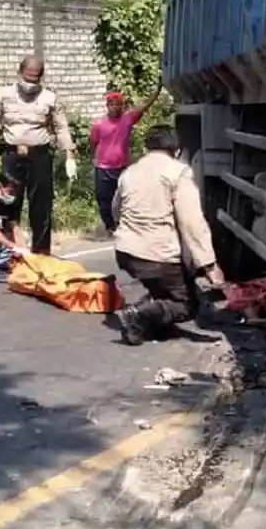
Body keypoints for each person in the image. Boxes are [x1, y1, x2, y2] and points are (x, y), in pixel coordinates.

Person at [111, 124, 225, 346]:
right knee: (187, 304)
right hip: (156, 255)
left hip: (125, 251)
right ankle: (137, 315)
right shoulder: (178, 172)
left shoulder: (129, 172)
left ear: (146, 148)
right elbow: (192, 222)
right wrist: (210, 266)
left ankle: (149, 325)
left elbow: (116, 210)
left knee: (165, 286)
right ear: (178, 150)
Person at [0, 55, 76, 255]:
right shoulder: (3, 95)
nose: (29, 84)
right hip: (12, 155)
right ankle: (8, 252)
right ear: (19, 73)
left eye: (34, 80)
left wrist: (69, 156)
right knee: (7, 203)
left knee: (41, 206)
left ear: (41, 78)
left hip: (40, 156)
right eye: (27, 78)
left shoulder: (49, 98)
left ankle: (41, 252)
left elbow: (62, 128)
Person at [89, 80, 162, 234]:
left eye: (119, 104)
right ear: (107, 106)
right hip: (103, 168)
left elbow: (144, 107)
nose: (116, 107)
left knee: (125, 197)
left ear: (123, 106)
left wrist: (157, 91)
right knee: (104, 199)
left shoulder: (127, 119)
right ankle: (110, 226)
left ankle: (124, 224)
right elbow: (94, 143)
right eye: (112, 104)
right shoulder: (99, 125)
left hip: (121, 167)